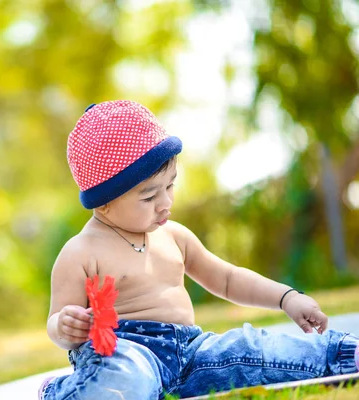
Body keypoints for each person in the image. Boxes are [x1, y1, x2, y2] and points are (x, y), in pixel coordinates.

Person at [39, 100, 359, 400]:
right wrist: (66, 326)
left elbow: (228, 279)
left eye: (170, 185)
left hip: (192, 353)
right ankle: (63, 391)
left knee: (252, 350)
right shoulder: (81, 252)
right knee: (126, 382)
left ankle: (341, 353)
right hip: (124, 355)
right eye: (149, 197)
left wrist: (286, 297)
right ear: (104, 201)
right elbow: (57, 323)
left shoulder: (174, 236)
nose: (165, 202)